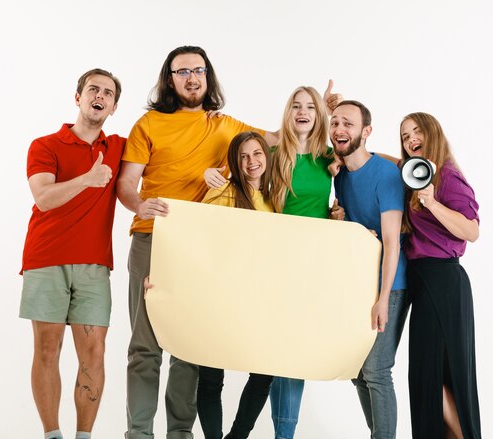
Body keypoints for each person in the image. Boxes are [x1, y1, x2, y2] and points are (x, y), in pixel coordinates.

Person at [116, 45, 280, 439]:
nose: (192, 77)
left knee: (188, 345)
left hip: (201, 248)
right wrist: (140, 203)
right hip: (152, 239)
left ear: (208, 76)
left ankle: (180, 433)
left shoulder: (223, 125)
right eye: (182, 71)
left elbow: (276, 140)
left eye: (198, 70)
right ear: (169, 79)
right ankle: (139, 433)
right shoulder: (149, 125)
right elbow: (125, 185)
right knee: (145, 347)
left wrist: (321, 116)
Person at [205, 84, 337, 439]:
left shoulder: (330, 155)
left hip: (313, 259)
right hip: (275, 260)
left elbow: (364, 155)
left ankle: (284, 434)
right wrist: (215, 123)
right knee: (270, 354)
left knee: (292, 352)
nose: (303, 112)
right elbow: (241, 152)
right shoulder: (274, 149)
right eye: (296, 106)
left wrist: (406, 165)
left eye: (310, 107)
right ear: (287, 112)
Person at [19, 68, 124, 439]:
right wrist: (88, 180)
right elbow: (44, 198)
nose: (100, 95)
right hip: (46, 259)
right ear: (77, 97)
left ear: (113, 107)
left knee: (94, 352)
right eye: (93, 89)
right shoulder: (44, 145)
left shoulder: (118, 147)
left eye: (108, 93)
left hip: (95, 265)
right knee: (48, 349)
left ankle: (84, 436)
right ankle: (52, 434)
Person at [329, 100, 409, 439]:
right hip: (358, 284)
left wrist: (382, 298)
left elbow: (392, 242)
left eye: (348, 123)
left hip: (390, 285)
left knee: (376, 370)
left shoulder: (387, 175)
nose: (339, 130)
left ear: (367, 132)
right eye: (334, 123)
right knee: (358, 371)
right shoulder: (340, 175)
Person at [399, 112, 481, 438]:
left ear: (432, 133)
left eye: (416, 131)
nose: (410, 139)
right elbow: (384, 161)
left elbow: (471, 231)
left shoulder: (446, 176)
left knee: (433, 380)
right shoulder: (414, 174)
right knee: (430, 378)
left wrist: (432, 203)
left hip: (443, 283)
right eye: (404, 136)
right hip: (425, 285)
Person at [197, 131, 275, 439]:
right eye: (243, 156)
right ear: (235, 162)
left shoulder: (273, 199)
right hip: (220, 296)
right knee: (211, 376)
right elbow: (197, 236)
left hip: (258, 298)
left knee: (263, 372)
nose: (251, 161)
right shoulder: (223, 193)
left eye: (257, 154)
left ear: (266, 157)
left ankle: (237, 436)